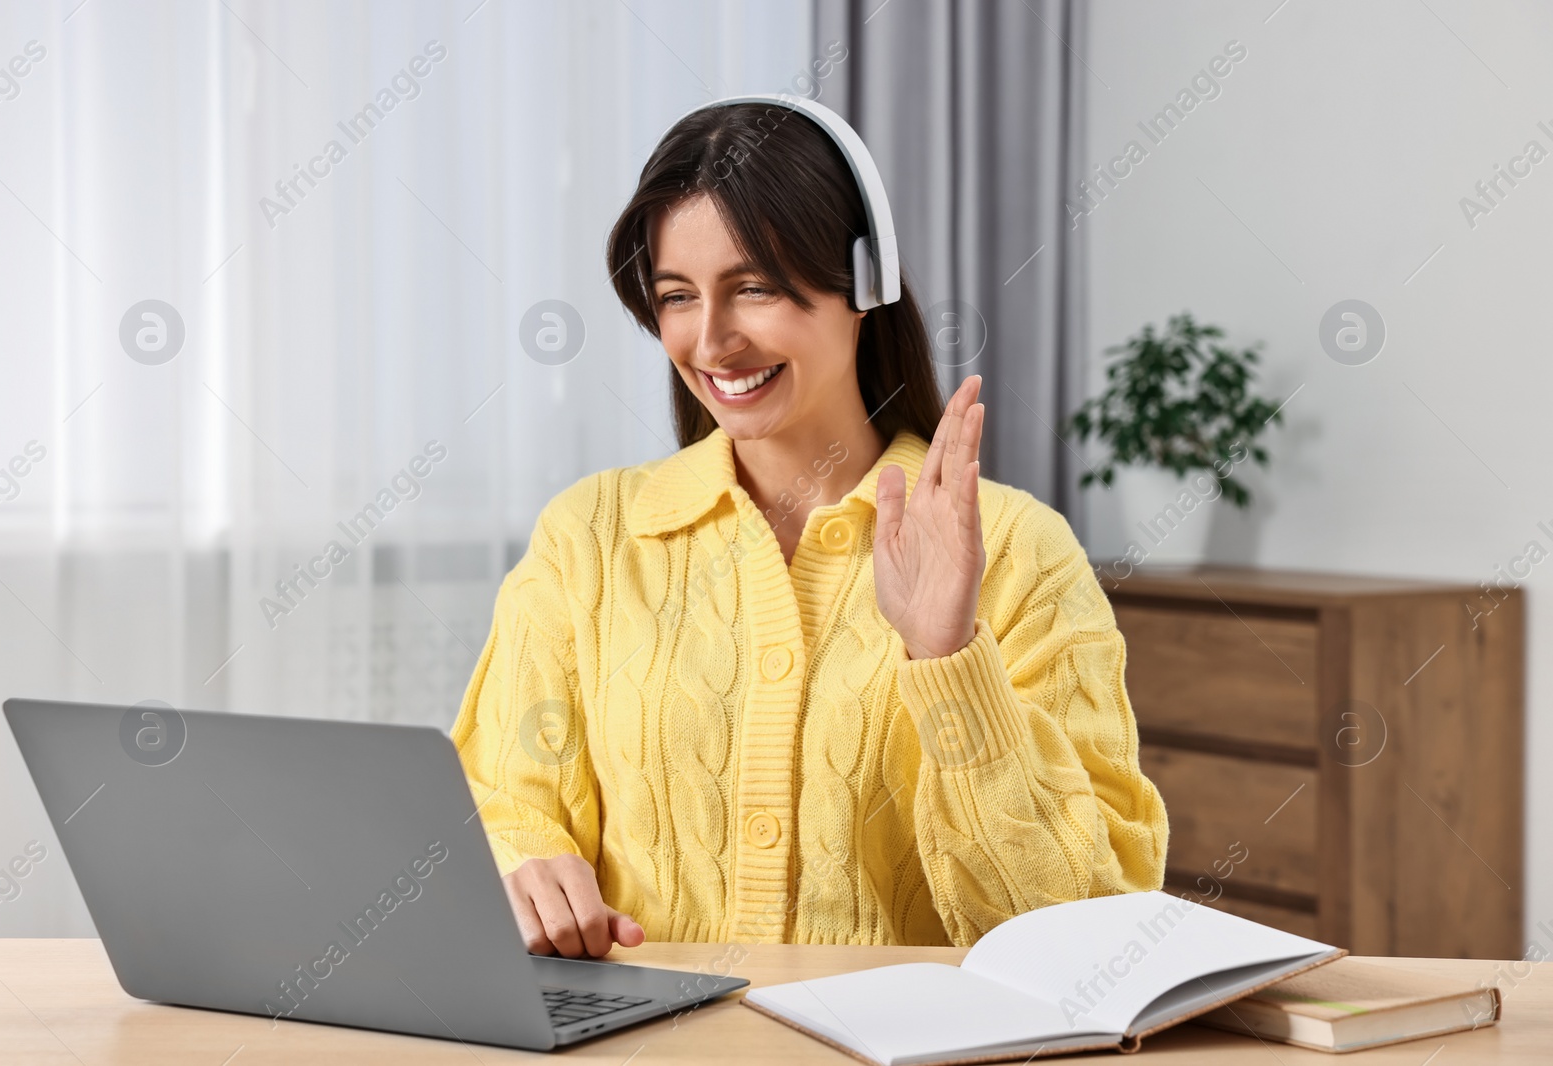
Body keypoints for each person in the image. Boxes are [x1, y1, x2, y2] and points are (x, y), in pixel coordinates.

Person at [451, 99, 1167, 960]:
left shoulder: (1019, 551)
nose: (711, 340)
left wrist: (947, 660)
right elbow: (499, 800)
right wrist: (519, 866)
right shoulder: (591, 538)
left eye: (753, 287)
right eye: (678, 297)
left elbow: (1084, 930)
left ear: (865, 286)